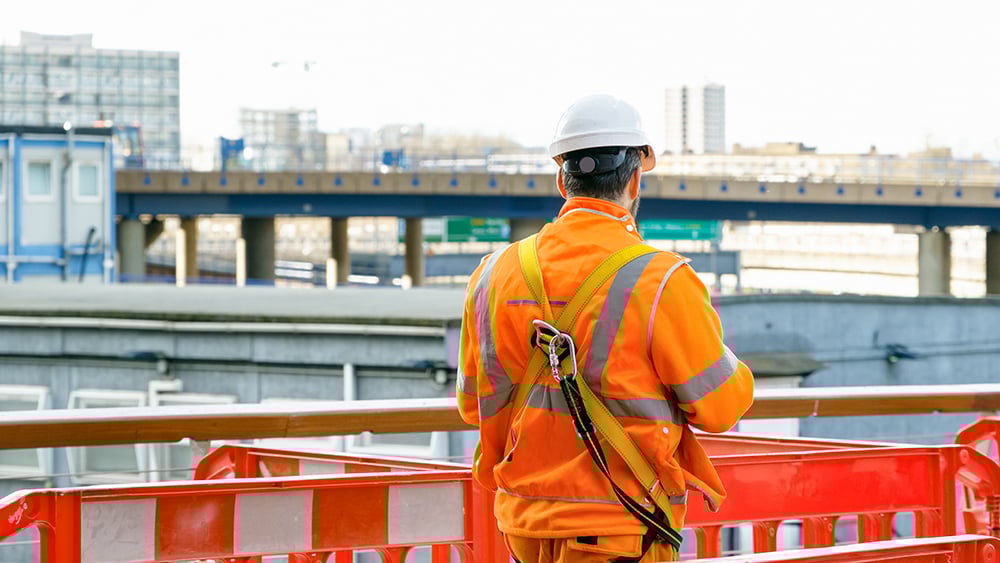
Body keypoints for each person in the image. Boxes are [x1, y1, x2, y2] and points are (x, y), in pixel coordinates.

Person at [457, 94, 754, 563]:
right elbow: (719, 407)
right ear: (635, 178)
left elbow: (473, 402)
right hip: (620, 528)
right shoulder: (660, 280)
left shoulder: (493, 273)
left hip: (523, 527)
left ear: (562, 180)